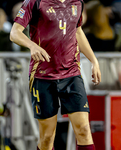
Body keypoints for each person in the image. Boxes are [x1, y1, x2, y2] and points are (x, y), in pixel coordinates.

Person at [10, 0, 101, 150]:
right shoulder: (34, 2)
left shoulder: (78, 3)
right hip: (43, 76)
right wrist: (32, 46)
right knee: (47, 137)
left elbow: (77, 31)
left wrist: (93, 60)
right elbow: (14, 32)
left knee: (84, 130)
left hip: (71, 74)